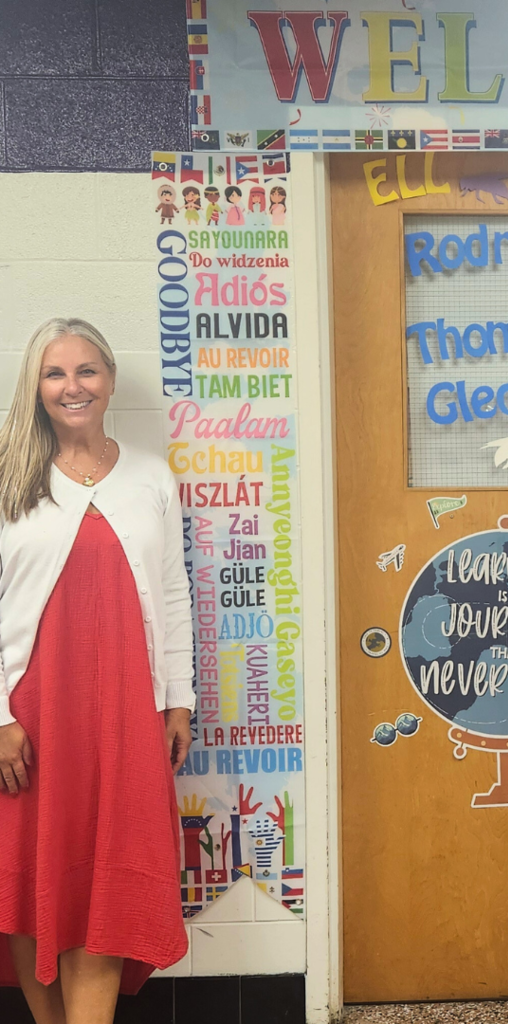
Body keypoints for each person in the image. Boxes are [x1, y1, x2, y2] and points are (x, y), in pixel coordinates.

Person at [0, 318, 193, 1024]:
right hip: (31, 719)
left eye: (87, 371)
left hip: (125, 714)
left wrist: (178, 699)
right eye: (55, 373)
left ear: (109, 378)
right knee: (31, 885)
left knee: (109, 882)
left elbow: (173, 590)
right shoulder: (8, 475)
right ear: (36, 387)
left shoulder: (149, 476)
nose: (72, 386)